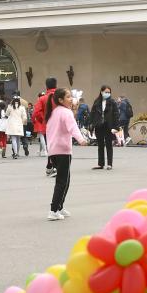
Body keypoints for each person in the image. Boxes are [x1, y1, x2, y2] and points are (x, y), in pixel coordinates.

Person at [45, 87, 88, 221]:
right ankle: (53, 210)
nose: (71, 99)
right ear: (60, 100)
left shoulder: (54, 112)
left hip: (53, 150)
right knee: (62, 181)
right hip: (63, 150)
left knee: (65, 180)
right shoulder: (65, 112)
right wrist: (81, 139)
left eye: (71, 96)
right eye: (68, 97)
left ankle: (59, 207)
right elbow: (73, 128)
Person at [90, 85, 119, 170]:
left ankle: (109, 164)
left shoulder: (112, 102)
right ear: (101, 92)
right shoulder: (97, 102)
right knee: (100, 145)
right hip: (99, 126)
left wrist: (115, 127)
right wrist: (91, 124)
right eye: (106, 92)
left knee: (109, 145)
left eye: (109, 92)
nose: (107, 94)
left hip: (108, 126)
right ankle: (101, 164)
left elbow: (116, 115)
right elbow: (92, 114)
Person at [34, 78, 57, 176]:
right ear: (56, 85)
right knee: (57, 145)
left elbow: (36, 113)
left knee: (50, 145)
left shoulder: (42, 98)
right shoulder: (60, 97)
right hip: (59, 124)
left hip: (47, 126)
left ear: (46, 86)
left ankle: (50, 165)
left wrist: (43, 120)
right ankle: (52, 165)